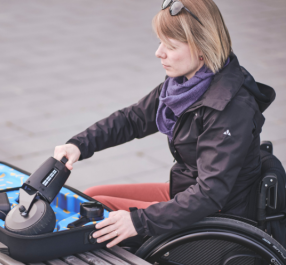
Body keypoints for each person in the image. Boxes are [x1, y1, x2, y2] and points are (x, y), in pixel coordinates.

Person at [54, 0, 275, 248]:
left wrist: (138, 221)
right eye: (161, 43)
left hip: (217, 213)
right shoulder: (185, 85)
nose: (159, 53)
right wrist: (78, 145)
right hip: (189, 191)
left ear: (202, 47)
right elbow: (132, 119)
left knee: (97, 213)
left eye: (170, 46)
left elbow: (211, 194)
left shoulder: (228, 108)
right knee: (91, 196)